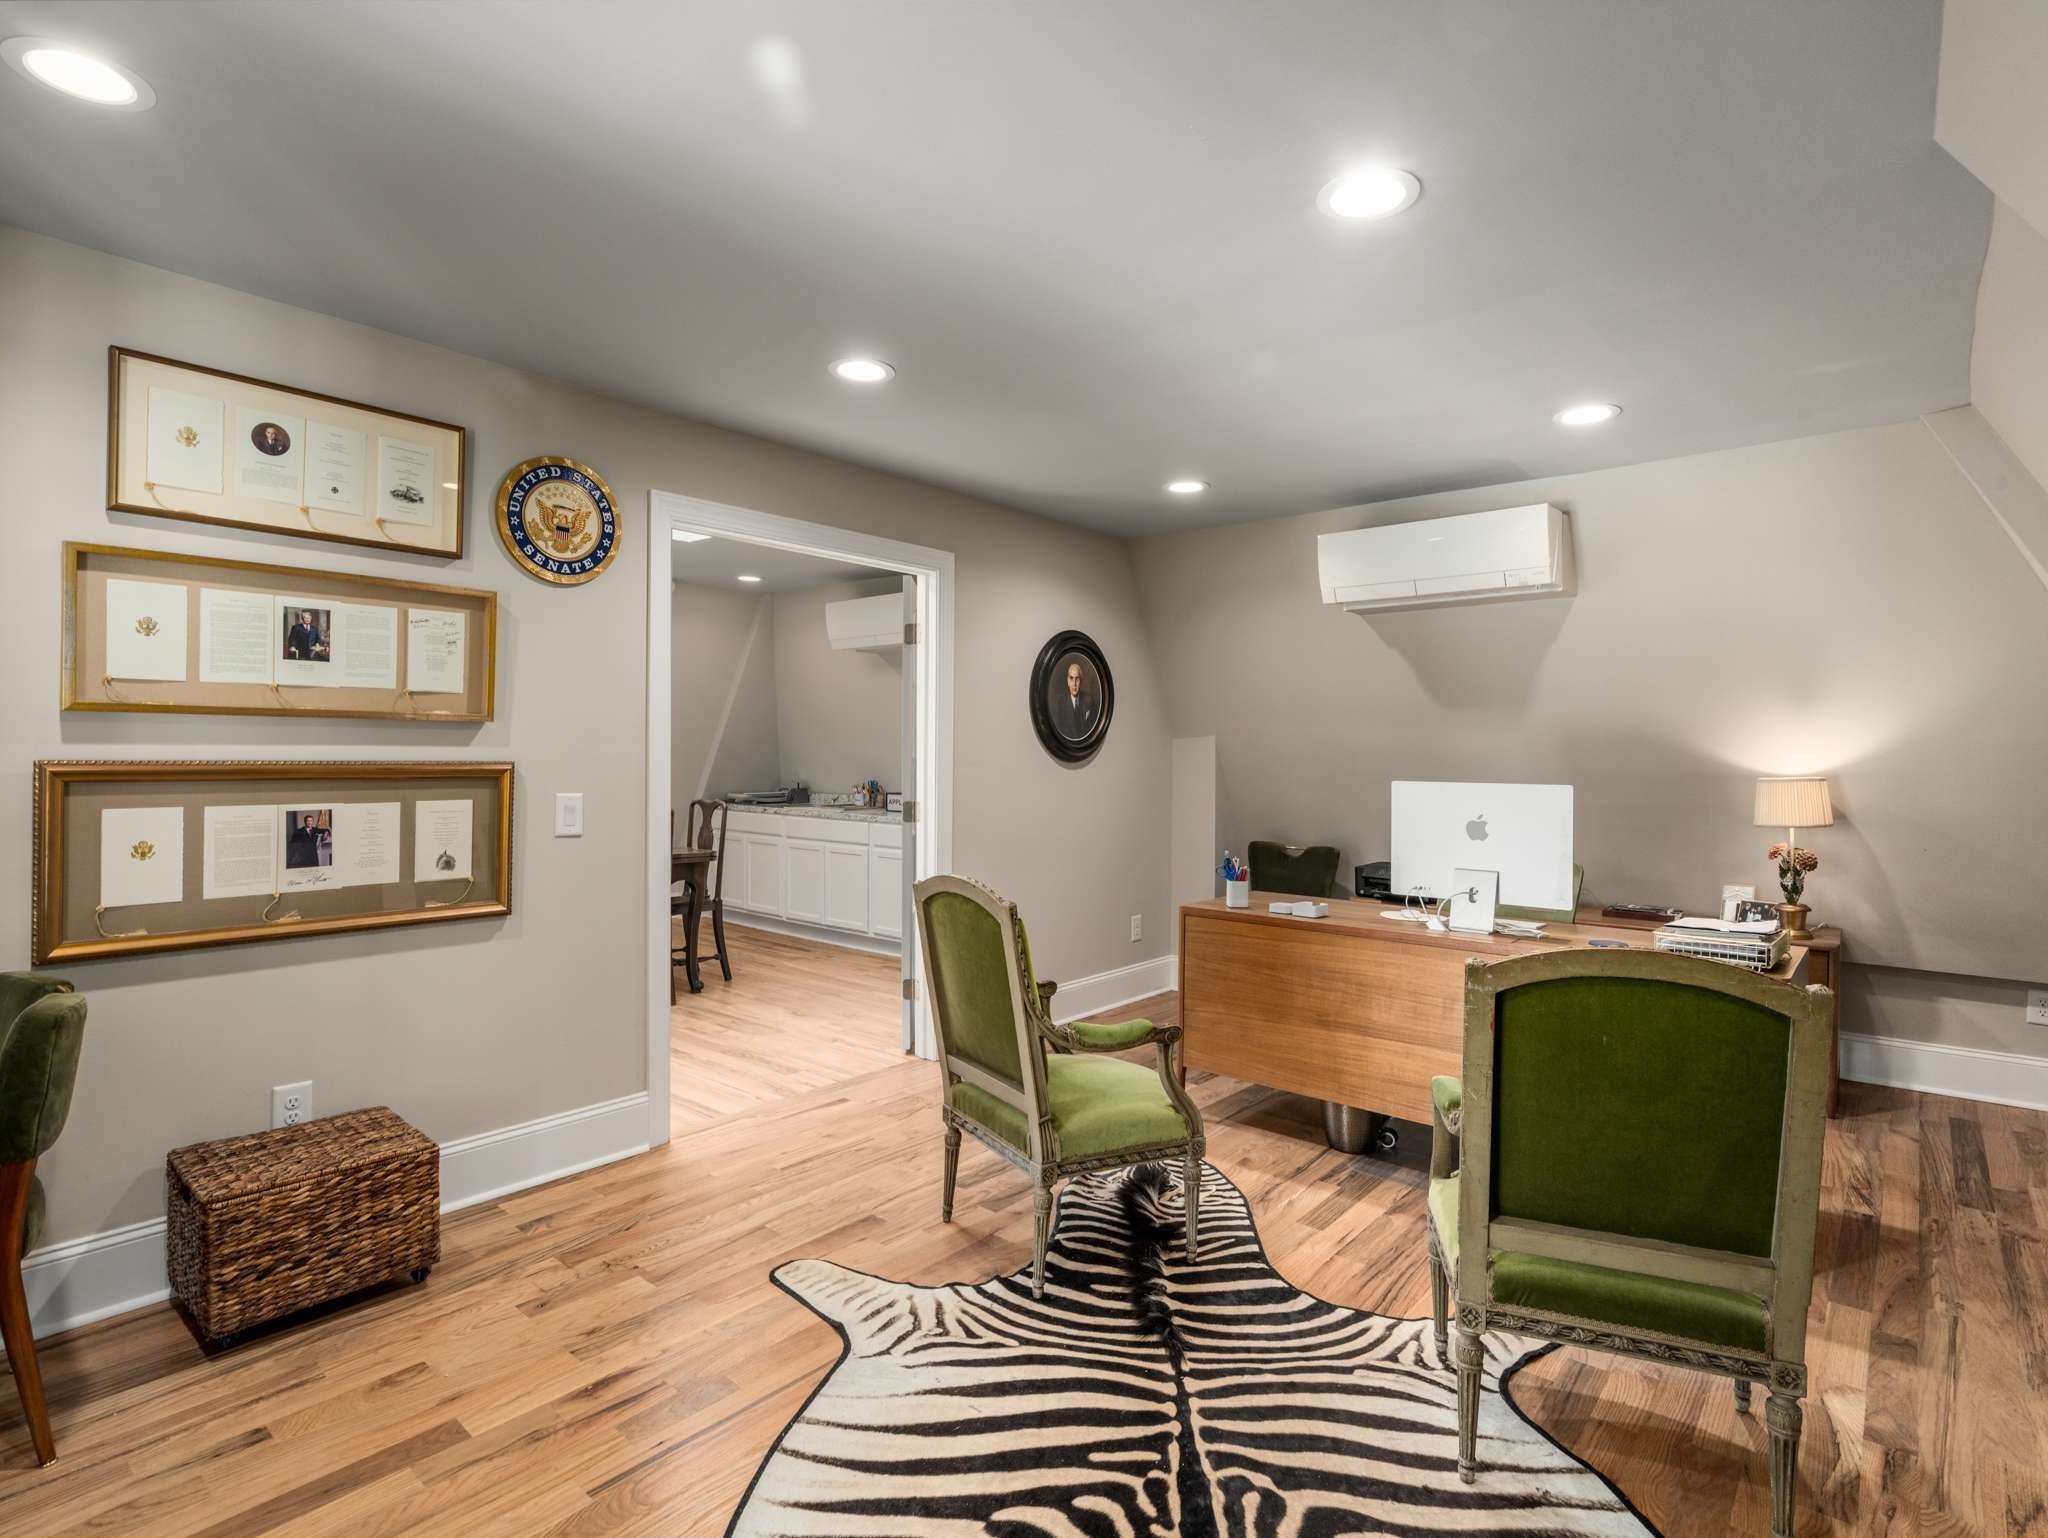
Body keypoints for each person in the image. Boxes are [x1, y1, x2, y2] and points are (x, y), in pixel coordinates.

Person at [1054, 657, 1098, 739]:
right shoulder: (1061, 703)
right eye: (1071, 678)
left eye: (1077, 679)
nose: (1074, 684)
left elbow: (1093, 730)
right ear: (1068, 681)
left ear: (1081, 681)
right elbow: (1060, 732)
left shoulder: (1089, 701)